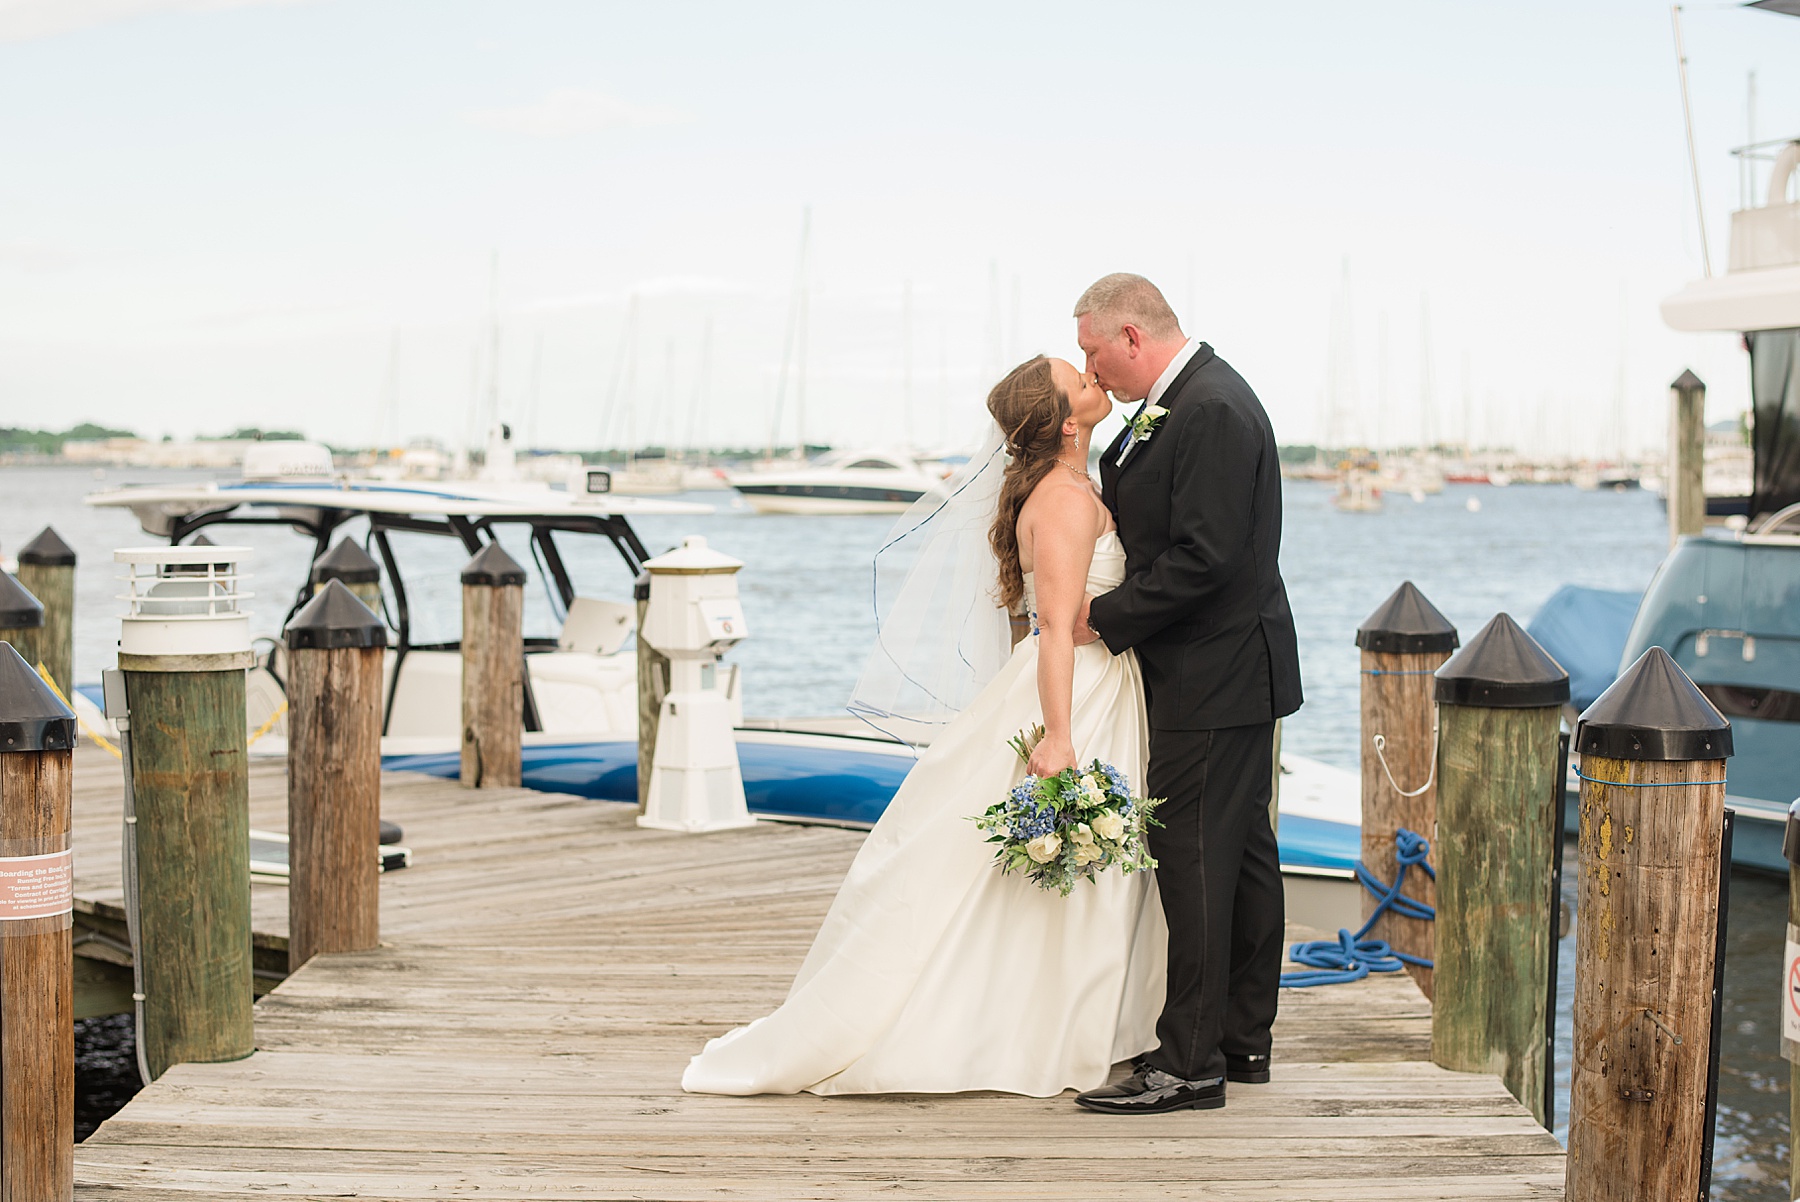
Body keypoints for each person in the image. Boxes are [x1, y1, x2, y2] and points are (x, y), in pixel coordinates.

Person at [681, 355, 1167, 1097]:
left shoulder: (1062, 487)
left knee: (1043, 870)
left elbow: (1032, 632)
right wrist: (1059, 734)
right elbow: (1058, 629)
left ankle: (1071, 1020)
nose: (1096, 381)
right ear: (1065, 421)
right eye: (1081, 381)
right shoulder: (1066, 500)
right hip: (1080, 695)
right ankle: (1051, 1028)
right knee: (1063, 869)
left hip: (1073, 687)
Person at [1068, 273, 1303, 1114]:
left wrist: (1102, 616)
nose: (1088, 368)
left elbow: (1209, 559)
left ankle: (1189, 1063)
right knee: (1239, 859)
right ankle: (1242, 1039)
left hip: (1217, 670)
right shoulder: (1188, 402)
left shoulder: (1210, 408)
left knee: (1196, 862)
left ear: (1132, 336)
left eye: (1093, 349)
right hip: (1222, 668)